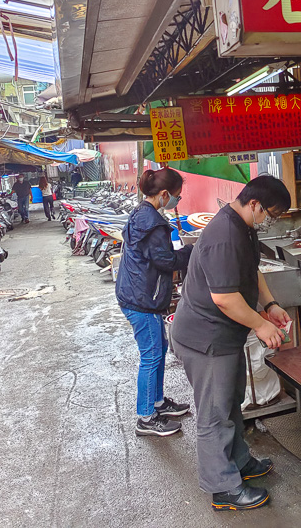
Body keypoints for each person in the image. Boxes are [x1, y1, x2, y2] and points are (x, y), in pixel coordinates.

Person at [171, 174, 292, 512]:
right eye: (271, 213)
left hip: (224, 336)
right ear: (254, 204)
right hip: (205, 339)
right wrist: (260, 326)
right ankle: (222, 487)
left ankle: (239, 462)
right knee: (214, 414)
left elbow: (252, 271)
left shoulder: (244, 228)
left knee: (231, 402)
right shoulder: (225, 234)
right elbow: (224, 298)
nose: (271, 221)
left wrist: (270, 306)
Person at [116, 168, 193, 437]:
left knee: (158, 349)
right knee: (151, 355)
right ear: (163, 194)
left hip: (136, 293)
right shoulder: (153, 223)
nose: (177, 202)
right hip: (141, 299)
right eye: (176, 197)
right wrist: (190, 251)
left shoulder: (142, 213)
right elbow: (166, 261)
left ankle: (158, 403)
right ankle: (146, 417)